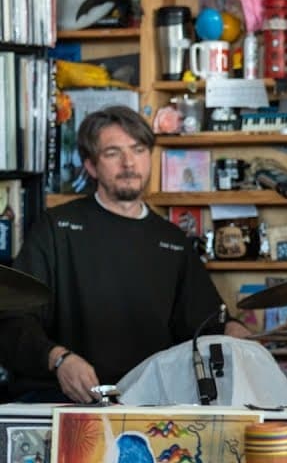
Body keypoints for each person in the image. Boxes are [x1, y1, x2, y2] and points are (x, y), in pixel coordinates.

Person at [0, 106, 250, 403]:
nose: (129, 162)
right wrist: (57, 359)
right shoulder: (55, 229)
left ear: (149, 157)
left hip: (150, 404)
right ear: (91, 166)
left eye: (138, 149)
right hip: (64, 401)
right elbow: (12, 319)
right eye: (112, 153)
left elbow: (203, 323)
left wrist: (234, 330)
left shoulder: (172, 241)